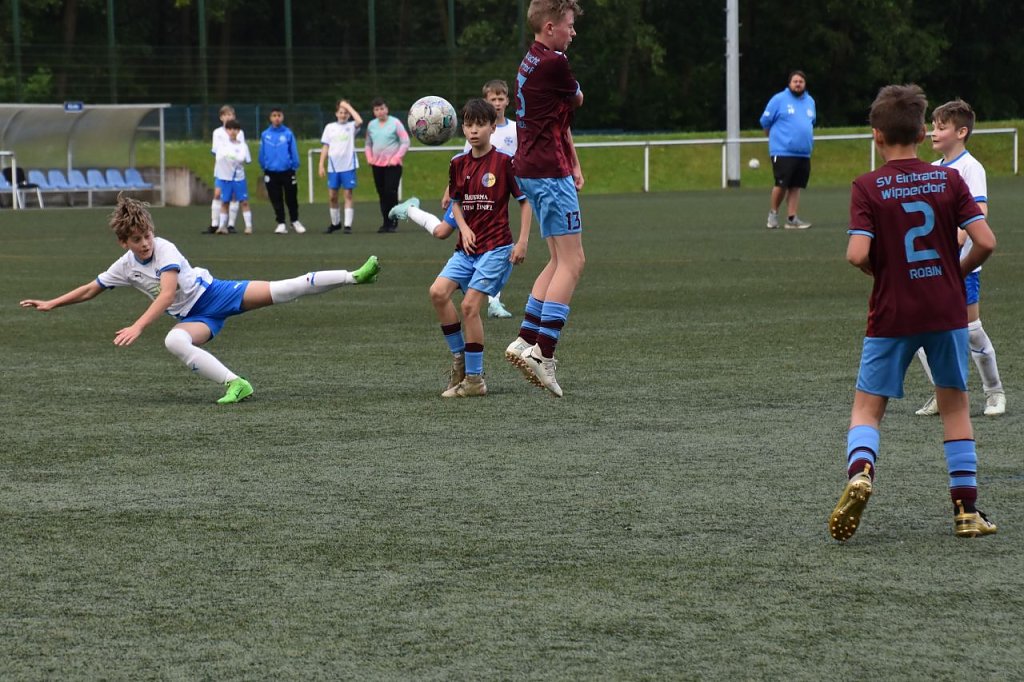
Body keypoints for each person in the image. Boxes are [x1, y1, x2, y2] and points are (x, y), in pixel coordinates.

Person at [829, 84, 997, 542]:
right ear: (923, 133)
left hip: (893, 310)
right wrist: (953, 273)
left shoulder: (867, 186)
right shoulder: (950, 181)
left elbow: (856, 253)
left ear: (876, 135)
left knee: (868, 408)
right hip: (944, 308)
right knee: (955, 406)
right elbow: (985, 241)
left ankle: (862, 472)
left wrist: (878, 269)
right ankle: (966, 511)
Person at [19, 195, 380, 405]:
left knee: (283, 290)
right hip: (196, 319)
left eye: (146, 235)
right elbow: (91, 288)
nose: (144, 243)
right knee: (174, 340)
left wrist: (138, 325)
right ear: (124, 243)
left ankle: (354, 276)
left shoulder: (165, 249)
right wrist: (52, 303)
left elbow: (167, 293)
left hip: (215, 294)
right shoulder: (125, 266)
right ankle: (236, 384)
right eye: (136, 240)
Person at [388, 99, 532, 398]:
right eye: (468, 125)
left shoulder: (505, 163)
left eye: (480, 124)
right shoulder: (458, 164)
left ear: (492, 127)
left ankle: (475, 380)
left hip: (496, 247)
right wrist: (464, 229)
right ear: (461, 128)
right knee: (437, 293)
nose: (474, 130)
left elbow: (525, 202)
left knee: (469, 307)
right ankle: (460, 360)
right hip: (467, 248)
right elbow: (455, 202)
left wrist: (522, 241)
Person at [503, 0, 586, 398]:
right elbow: (578, 99)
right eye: (569, 25)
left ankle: (525, 338)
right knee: (573, 261)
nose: (573, 32)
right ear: (550, 27)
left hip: (530, 168)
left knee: (556, 259)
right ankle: (544, 353)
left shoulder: (530, 59)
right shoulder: (555, 62)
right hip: (549, 171)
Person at [914, 99, 1005, 417]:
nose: (934, 132)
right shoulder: (933, 169)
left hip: (961, 266)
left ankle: (994, 392)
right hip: (931, 266)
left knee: (971, 330)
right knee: (921, 333)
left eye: (941, 127)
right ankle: (944, 393)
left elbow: (978, 212)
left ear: (961, 132)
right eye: (933, 126)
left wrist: (956, 242)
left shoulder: (970, 168)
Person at [437, 79, 519, 319]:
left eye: (500, 99)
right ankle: (411, 210)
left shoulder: (513, 133)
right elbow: (463, 165)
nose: (497, 102)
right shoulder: (467, 143)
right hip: (468, 196)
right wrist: (449, 192)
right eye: (492, 99)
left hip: (497, 193)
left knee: (493, 242)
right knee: (442, 231)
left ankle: (493, 299)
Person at [759, 70, 816, 229]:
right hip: (783, 151)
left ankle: (792, 218)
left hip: (803, 152)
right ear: (789, 83)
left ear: (805, 84)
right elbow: (765, 121)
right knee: (781, 184)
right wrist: (774, 140)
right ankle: (773, 214)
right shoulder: (779, 99)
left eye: (801, 82)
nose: (798, 84)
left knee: (796, 185)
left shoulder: (810, 101)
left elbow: (810, 123)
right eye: (795, 81)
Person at [364, 97, 410, 233]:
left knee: (390, 191)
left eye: (382, 108)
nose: (380, 111)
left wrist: (396, 158)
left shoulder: (395, 123)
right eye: (376, 109)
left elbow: (405, 141)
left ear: (387, 109)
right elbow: (368, 144)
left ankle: (393, 220)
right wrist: (369, 157)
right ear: (374, 112)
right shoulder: (371, 125)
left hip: (392, 165)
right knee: (382, 193)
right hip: (377, 165)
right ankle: (385, 222)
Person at [318, 99, 364, 234]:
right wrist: (321, 164)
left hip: (348, 166)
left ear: (348, 114)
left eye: (345, 113)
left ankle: (347, 225)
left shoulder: (351, 126)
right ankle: (335, 223)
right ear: (336, 114)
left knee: (348, 194)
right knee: (332, 196)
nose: (343, 115)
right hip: (333, 167)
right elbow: (325, 146)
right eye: (340, 112)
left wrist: (348, 106)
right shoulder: (329, 127)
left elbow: (359, 121)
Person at [259, 107, 305, 235]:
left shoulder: (288, 133)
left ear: (282, 117)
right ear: (270, 118)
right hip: (271, 172)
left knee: (291, 197)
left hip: (287, 171)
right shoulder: (265, 135)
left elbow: (293, 151)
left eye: (279, 115)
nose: (277, 118)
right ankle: (281, 223)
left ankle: (294, 221)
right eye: (274, 115)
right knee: (276, 198)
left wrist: (294, 166)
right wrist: (264, 166)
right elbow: (262, 153)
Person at [205, 104, 244, 234]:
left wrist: (233, 156)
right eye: (226, 115)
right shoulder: (217, 132)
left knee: (234, 196)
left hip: (235, 170)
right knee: (217, 194)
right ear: (221, 117)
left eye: (231, 115)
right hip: (222, 169)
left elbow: (240, 148)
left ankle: (231, 224)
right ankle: (214, 224)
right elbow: (216, 150)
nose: (228, 117)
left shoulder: (240, 132)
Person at [212, 119, 254, 235]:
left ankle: (248, 226)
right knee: (224, 202)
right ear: (226, 130)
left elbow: (243, 159)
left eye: (235, 129)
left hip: (239, 178)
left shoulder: (243, 146)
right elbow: (219, 158)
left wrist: (231, 157)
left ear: (238, 131)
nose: (232, 131)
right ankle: (222, 226)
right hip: (226, 178)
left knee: (244, 202)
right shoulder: (223, 145)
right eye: (230, 129)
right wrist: (232, 157)